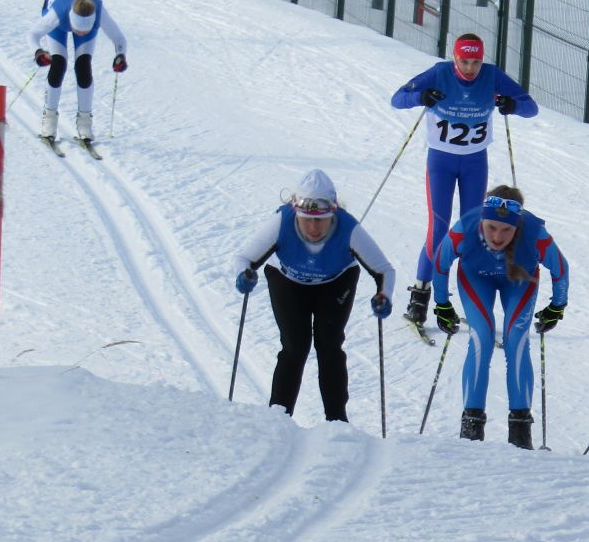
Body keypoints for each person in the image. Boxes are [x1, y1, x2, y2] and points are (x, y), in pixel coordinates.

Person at [391, 34, 538, 329]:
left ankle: (475, 303)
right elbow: (398, 99)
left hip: (474, 163)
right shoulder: (439, 72)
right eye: (464, 61)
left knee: (474, 232)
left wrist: (512, 104)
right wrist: (420, 97)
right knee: (439, 229)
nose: (470, 68)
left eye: (475, 62)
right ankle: (420, 297)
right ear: (454, 58)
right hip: (441, 162)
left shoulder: (492, 75)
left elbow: (530, 107)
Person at [232, 170, 396, 423]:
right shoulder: (281, 223)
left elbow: (384, 269)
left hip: (335, 282)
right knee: (295, 346)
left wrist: (384, 295)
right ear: (295, 211)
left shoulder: (349, 228)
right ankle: (278, 418)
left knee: (329, 345)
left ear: (333, 214)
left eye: (321, 220)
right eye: (306, 219)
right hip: (287, 279)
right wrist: (244, 275)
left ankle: (337, 422)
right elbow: (244, 258)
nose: (313, 227)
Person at [430, 185, 568, 448]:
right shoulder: (465, 228)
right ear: (482, 218)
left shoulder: (535, 233)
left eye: (507, 230)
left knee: (516, 339)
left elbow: (561, 268)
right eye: (491, 227)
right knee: (481, 336)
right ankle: (471, 425)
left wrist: (557, 306)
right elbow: (440, 263)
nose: (497, 236)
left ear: (517, 226)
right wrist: (442, 304)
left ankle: (520, 429)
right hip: (475, 279)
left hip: (519, 281)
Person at [29, 0, 129, 145]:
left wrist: (120, 56)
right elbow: (33, 34)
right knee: (58, 64)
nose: (80, 33)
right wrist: (38, 52)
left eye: (85, 30)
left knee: (83, 66)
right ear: (71, 21)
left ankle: (85, 125)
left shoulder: (99, 12)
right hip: (58, 22)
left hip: (76, 17)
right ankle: (49, 122)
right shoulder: (57, 13)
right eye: (77, 30)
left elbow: (119, 38)